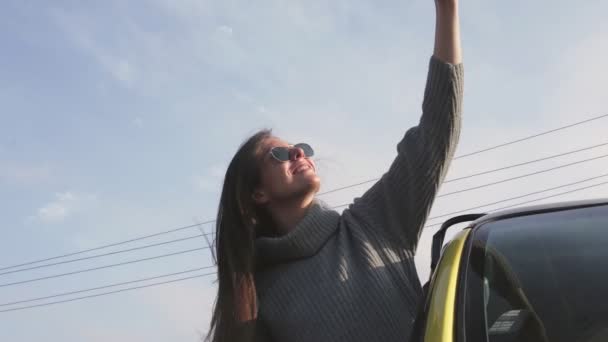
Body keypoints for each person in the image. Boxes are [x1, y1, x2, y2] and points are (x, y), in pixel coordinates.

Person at [207, 0, 463, 340]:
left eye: (301, 148)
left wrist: (447, 11)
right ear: (258, 193)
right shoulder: (257, 297)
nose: (298, 151)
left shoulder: (375, 223)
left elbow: (436, 131)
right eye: (279, 154)